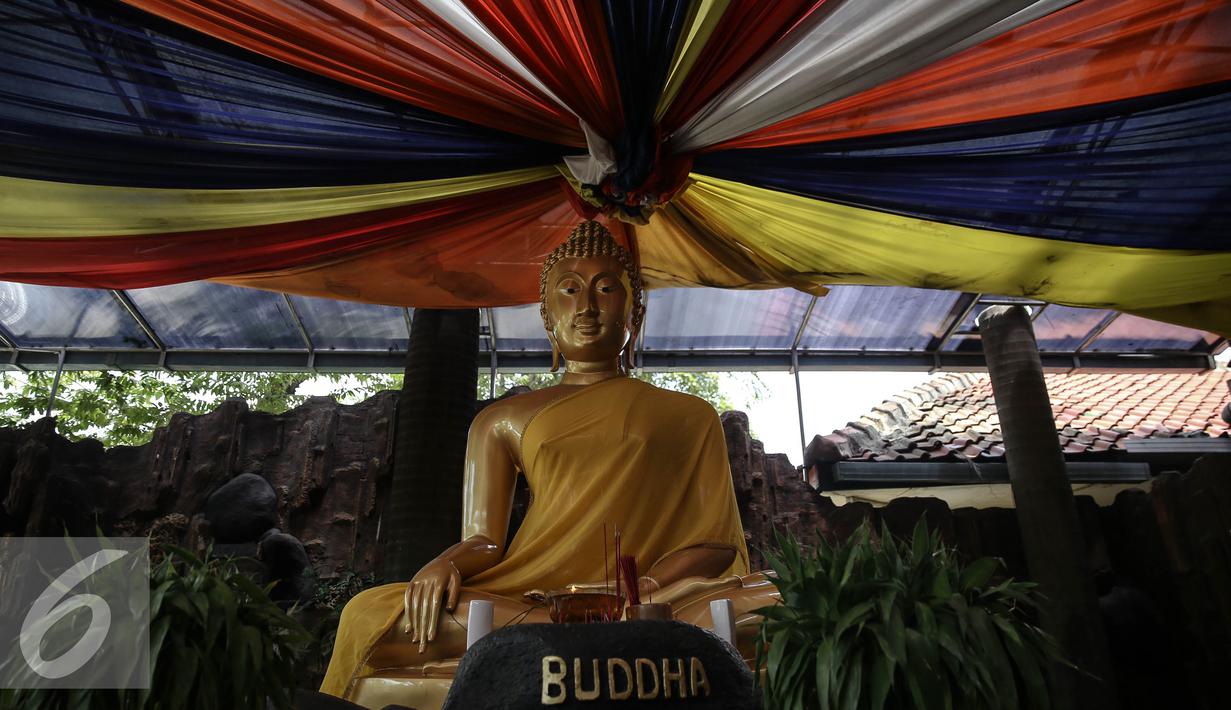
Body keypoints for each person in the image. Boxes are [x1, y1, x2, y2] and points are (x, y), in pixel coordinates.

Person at [322, 220, 777, 707]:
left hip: (656, 598)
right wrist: (444, 563)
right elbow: (485, 540)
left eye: (606, 290)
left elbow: (715, 546)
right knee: (370, 613)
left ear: (634, 313)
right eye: (569, 291)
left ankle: (581, 633)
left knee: (770, 601)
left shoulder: (689, 414)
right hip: (533, 596)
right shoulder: (503, 419)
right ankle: (588, 631)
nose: (586, 307)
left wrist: (639, 587)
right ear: (547, 316)